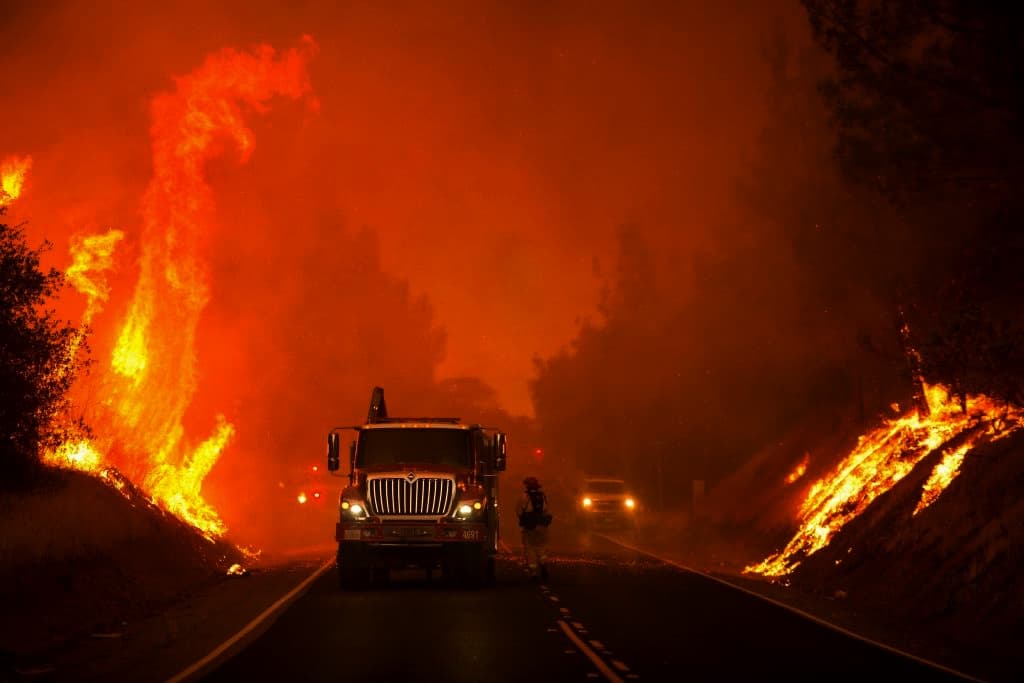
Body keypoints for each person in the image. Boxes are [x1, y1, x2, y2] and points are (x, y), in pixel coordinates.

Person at [517, 476, 552, 580]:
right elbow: (547, 510)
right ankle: (544, 564)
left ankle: (534, 573)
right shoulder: (543, 496)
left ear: (527, 485)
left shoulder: (524, 497)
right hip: (542, 527)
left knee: (530, 549)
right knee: (541, 547)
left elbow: (518, 511)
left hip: (529, 528)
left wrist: (525, 520)